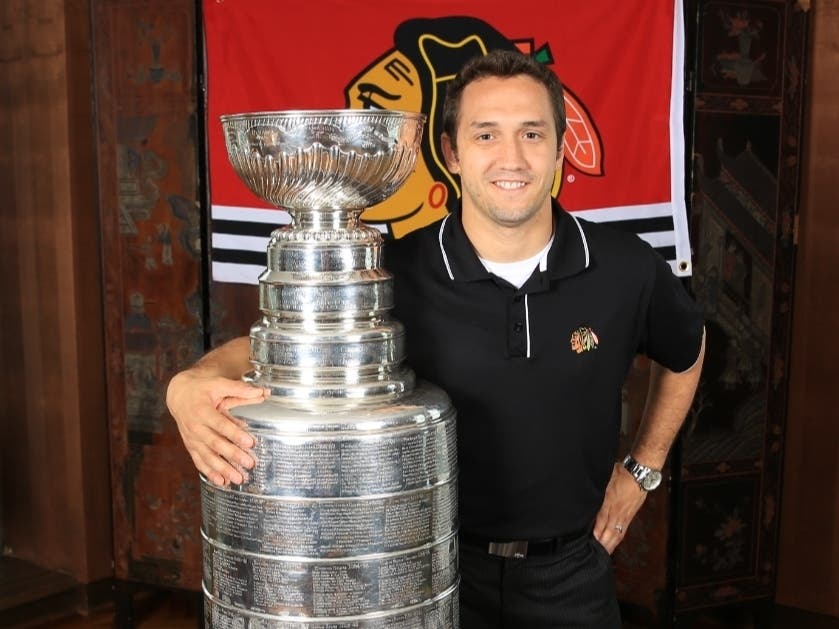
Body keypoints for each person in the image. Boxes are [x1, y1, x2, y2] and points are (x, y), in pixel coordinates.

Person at [167, 50, 705, 628]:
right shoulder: (395, 270)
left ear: (558, 147)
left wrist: (641, 472)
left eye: (531, 133)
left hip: (572, 573)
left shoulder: (626, 267)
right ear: (451, 153)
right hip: (428, 571)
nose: (512, 158)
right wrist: (191, 383)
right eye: (485, 135)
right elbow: (281, 343)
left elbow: (688, 350)